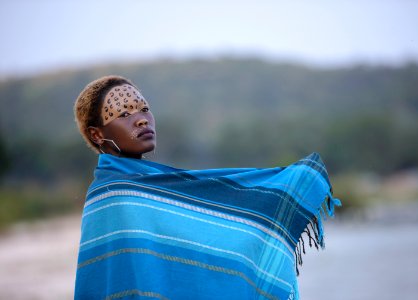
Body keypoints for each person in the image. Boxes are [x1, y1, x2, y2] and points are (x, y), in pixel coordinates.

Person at [74, 75, 341, 300]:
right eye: (124, 114)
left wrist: (282, 189)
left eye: (143, 109)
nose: (142, 120)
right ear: (97, 134)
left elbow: (196, 245)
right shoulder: (113, 194)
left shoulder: (159, 185)